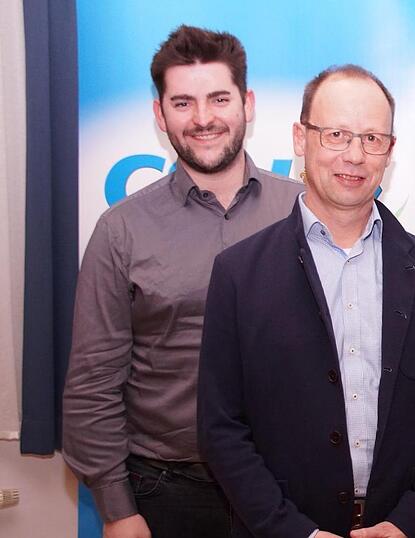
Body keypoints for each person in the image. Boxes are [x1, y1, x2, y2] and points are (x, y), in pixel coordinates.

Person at [197, 64, 415, 538]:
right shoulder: (239, 273)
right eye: (337, 134)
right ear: (300, 139)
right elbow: (221, 428)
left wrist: (410, 521)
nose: (355, 155)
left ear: (390, 151)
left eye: (372, 138)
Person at [62, 25, 304, 538]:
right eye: (182, 103)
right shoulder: (122, 231)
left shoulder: (303, 214)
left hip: (289, 489)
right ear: (160, 114)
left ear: (248, 103)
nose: (203, 119)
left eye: (219, 98)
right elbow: (92, 384)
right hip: (167, 495)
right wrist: (117, 511)